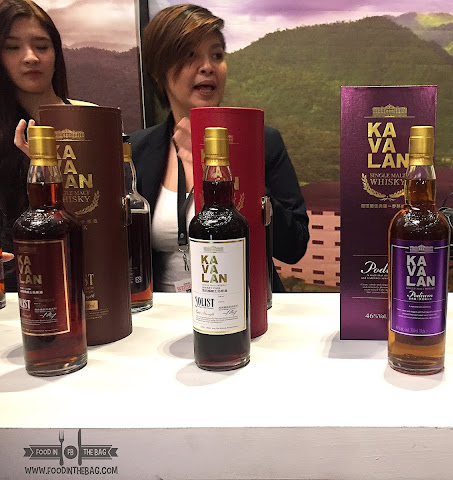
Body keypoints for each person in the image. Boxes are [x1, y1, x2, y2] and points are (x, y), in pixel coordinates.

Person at [130, 4, 309, 293]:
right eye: (189, 55)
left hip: (246, 307)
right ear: (158, 71)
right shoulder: (137, 149)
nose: (207, 67)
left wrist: (231, 169)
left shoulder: (264, 142)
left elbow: (295, 246)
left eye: (216, 55)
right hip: (164, 313)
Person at [0, 0, 92, 291]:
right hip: (20, 287)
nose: (30, 57)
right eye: (12, 47)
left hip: (90, 275)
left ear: (56, 53)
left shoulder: (90, 119)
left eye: (41, 46)